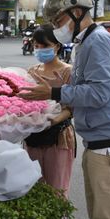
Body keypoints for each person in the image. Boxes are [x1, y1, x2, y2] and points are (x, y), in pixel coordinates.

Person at [18, 0, 110, 219]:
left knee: (105, 216)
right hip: (95, 144)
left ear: (78, 11)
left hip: (106, 147)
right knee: (98, 214)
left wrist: (53, 92)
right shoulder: (84, 43)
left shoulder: (98, 41)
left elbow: (99, 92)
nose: (57, 26)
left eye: (59, 19)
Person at [24, 24, 75, 198]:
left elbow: (71, 108)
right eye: (36, 46)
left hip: (58, 137)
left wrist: (53, 120)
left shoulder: (67, 72)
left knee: (57, 189)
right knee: (33, 188)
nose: (39, 50)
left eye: (44, 46)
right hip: (32, 136)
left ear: (57, 46)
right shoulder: (32, 72)